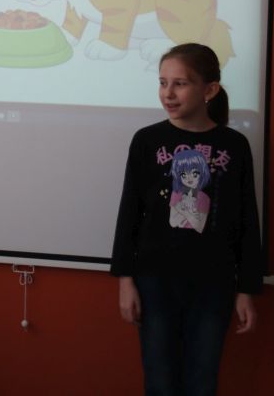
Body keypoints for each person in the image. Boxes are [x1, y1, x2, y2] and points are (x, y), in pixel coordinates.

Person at [110, 43, 263, 396]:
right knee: (160, 381)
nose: (168, 93)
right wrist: (125, 280)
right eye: (163, 82)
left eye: (180, 84)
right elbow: (129, 212)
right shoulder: (147, 141)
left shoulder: (234, 145)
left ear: (210, 89)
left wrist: (246, 289)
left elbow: (246, 220)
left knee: (202, 381)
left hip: (214, 283)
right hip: (155, 282)